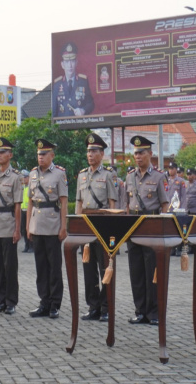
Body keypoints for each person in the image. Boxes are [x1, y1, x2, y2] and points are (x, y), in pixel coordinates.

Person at [125, 135, 169, 325]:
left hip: (151, 226)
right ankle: (140, 310)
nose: (138, 156)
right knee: (136, 271)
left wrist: (163, 229)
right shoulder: (129, 176)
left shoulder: (159, 176)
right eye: (135, 153)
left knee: (152, 270)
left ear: (150, 154)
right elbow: (127, 204)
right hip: (133, 226)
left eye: (141, 153)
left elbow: (165, 205)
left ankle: (154, 313)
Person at [75, 133, 117, 322]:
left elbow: (112, 204)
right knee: (88, 268)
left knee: (104, 268)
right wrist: (76, 228)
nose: (90, 154)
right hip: (86, 226)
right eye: (88, 151)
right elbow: (78, 203)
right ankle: (93, 306)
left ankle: (106, 307)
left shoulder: (109, 175)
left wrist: (111, 230)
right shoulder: (82, 175)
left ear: (102, 153)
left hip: (103, 225)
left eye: (94, 151)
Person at [27, 138, 68, 319]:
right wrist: (28, 225)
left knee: (54, 267)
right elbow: (30, 201)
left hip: (52, 225)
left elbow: (64, 202)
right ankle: (43, 302)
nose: (40, 157)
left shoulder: (59, 174)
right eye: (38, 154)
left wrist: (63, 226)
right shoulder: (32, 174)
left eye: (44, 154)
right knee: (40, 267)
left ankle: (54, 304)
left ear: (52, 155)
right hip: (37, 224)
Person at [0, 138, 23, 316]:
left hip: (8, 223)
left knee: (10, 265)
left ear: (10, 155)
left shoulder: (15, 177)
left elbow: (17, 205)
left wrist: (17, 229)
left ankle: (11, 301)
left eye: (2, 152)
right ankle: (0, 299)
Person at [52, 42, 94, 117]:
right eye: (67, 62)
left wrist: (83, 110)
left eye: (72, 61)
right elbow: (54, 112)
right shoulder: (57, 85)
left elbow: (91, 104)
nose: (70, 65)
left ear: (76, 62)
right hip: (63, 126)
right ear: (62, 64)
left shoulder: (83, 81)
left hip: (80, 125)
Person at [20, 169, 32, 252]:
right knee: (23, 229)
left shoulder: (31, 187)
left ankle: (31, 246)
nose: (23, 179)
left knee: (30, 229)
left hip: (29, 210)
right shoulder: (22, 187)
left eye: (25, 177)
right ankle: (26, 245)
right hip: (22, 210)